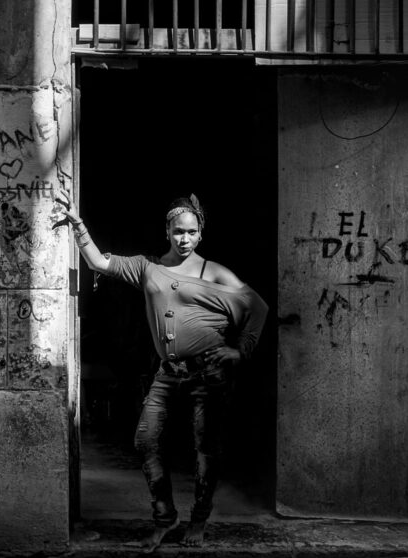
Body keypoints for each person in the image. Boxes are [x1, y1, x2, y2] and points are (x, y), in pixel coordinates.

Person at [55, 188, 268, 552]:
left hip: (209, 374)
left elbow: (257, 308)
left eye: (190, 232)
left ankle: (199, 520)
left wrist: (239, 351)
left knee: (205, 449)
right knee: (145, 440)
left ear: (200, 233)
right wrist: (78, 225)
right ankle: (165, 518)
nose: (184, 239)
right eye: (177, 232)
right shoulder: (147, 266)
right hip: (168, 373)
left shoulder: (213, 271)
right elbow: (99, 263)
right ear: (167, 232)